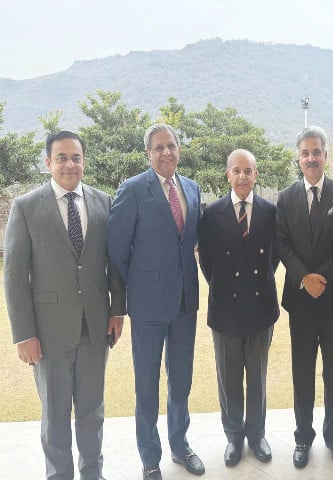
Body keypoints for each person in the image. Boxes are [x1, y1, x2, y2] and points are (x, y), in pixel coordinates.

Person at [4, 131, 126, 480]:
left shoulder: (105, 202)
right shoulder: (26, 207)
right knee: (55, 417)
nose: (70, 164)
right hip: (48, 333)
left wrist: (118, 309)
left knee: (92, 412)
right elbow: (13, 275)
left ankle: (93, 474)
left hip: (95, 329)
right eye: (62, 157)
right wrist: (24, 334)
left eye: (76, 157)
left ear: (84, 161)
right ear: (48, 162)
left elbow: (114, 262)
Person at [107, 124, 204, 480]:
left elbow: (192, 242)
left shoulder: (192, 188)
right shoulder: (132, 190)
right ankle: (150, 458)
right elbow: (117, 250)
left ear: (180, 150)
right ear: (148, 153)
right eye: (159, 147)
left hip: (184, 304)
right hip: (148, 307)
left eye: (172, 146)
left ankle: (180, 446)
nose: (167, 153)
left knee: (181, 380)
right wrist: (141, 285)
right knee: (146, 385)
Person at [275, 126, 333, 469]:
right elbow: (282, 244)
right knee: (302, 370)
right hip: (301, 299)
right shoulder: (286, 197)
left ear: (325, 155)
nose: (311, 158)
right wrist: (304, 278)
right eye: (305, 153)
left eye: (317, 152)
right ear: (299, 158)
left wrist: (321, 277)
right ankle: (303, 437)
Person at [198, 149, 279, 467]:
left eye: (248, 170)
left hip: (260, 307)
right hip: (226, 308)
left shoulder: (270, 211)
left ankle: (257, 436)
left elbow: (274, 258)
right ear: (227, 175)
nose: (242, 176)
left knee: (256, 376)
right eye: (236, 170)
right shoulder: (212, 213)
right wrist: (226, 287)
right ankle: (234, 437)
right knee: (229, 378)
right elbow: (207, 261)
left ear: (255, 175)